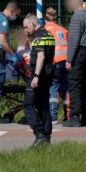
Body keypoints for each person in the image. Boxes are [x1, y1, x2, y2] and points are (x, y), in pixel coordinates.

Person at [21, 15, 55, 147]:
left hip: (38, 74)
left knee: (28, 105)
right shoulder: (49, 35)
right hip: (47, 74)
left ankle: (39, 133)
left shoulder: (38, 37)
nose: (25, 30)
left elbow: (40, 57)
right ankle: (46, 136)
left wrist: (35, 76)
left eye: (26, 27)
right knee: (43, 105)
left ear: (34, 24)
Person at [64, 0, 86, 127]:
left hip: (79, 53)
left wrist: (69, 59)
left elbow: (73, 40)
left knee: (75, 84)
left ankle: (75, 117)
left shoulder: (76, 17)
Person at [43, 7, 70, 124]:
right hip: (66, 60)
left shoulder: (44, 30)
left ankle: (53, 115)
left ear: (45, 19)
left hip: (55, 61)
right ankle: (68, 114)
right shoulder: (63, 30)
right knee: (65, 88)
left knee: (53, 87)